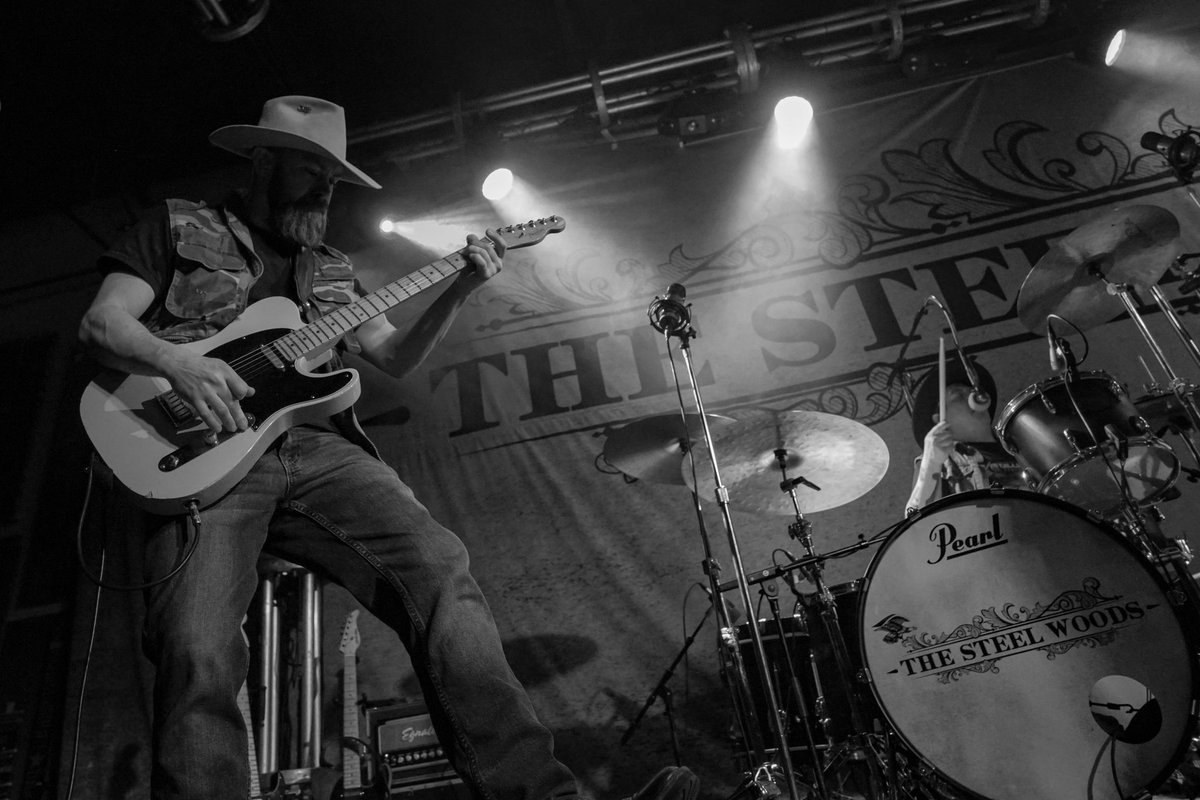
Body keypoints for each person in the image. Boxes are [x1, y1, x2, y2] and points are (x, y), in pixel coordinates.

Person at [78, 96, 699, 800]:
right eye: (310, 169)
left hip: (313, 450)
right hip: (196, 453)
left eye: (334, 178)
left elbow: (396, 357)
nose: (324, 189)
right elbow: (102, 325)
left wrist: (459, 286)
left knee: (439, 568)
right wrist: (178, 363)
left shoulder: (335, 272)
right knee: (196, 649)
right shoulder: (177, 224)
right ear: (262, 160)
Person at [904, 358, 1034, 515]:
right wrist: (931, 463)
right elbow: (916, 523)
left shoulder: (1026, 445)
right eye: (958, 395)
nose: (973, 396)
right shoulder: (938, 462)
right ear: (940, 420)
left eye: (975, 391)